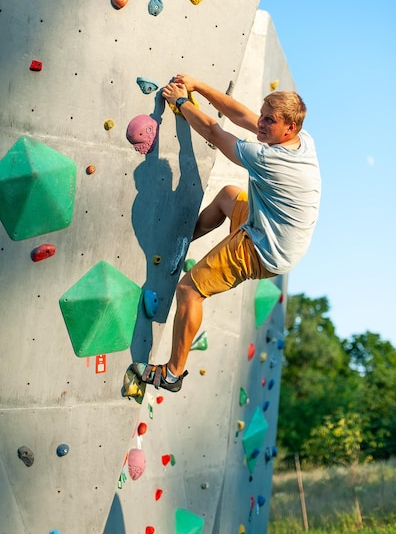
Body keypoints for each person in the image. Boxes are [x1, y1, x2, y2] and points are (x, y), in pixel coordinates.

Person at [131, 74, 321, 392]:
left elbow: (213, 132)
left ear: (289, 127)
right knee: (228, 196)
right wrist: (198, 85)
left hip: (263, 248)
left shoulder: (270, 159)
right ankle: (180, 241)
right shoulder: (302, 142)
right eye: (263, 115)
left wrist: (180, 101)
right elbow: (240, 115)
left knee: (189, 291)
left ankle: (172, 374)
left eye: (269, 121)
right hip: (275, 228)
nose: (260, 124)